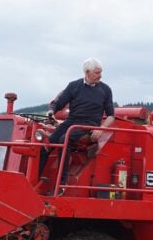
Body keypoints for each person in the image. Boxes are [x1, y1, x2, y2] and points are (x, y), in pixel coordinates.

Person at [38, 58, 115, 189]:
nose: (100, 76)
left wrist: (101, 128)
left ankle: (62, 183)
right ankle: (35, 179)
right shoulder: (74, 86)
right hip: (71, 122)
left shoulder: (106, 90)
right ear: (87, 72)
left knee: (64, 139)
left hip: (89, 126)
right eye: (97, 73)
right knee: (46, 145)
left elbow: (111, 115)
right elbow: (59, 103)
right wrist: (51, 111)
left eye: (100, 72)